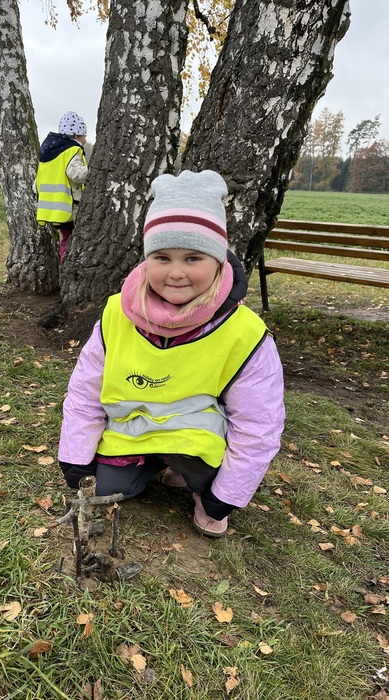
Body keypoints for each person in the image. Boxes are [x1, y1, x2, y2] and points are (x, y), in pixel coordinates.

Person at [58, 170, 285, 537]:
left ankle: (196, 480)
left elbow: (258, 423)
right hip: (133, 433)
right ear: (147, 259)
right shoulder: (116, 314)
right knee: (108, 487)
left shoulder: (245, 332)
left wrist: (226, 495)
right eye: (162, 257)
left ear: (218, 260)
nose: (176, 273)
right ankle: (151, 463)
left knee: (201, 468)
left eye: (193, 258)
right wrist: (75, 456)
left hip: (198, 440)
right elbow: (85, 392)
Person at [36, 111, 88, 261]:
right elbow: (76, 174)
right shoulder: (71, 151)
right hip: (69, 208)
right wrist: (94, 170)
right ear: (75, 135)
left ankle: (64, 264)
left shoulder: (48, 153)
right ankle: (66, 265)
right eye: (83, 135)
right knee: (70, 238)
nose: (85, 139)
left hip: (53, 208)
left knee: (66, 237)